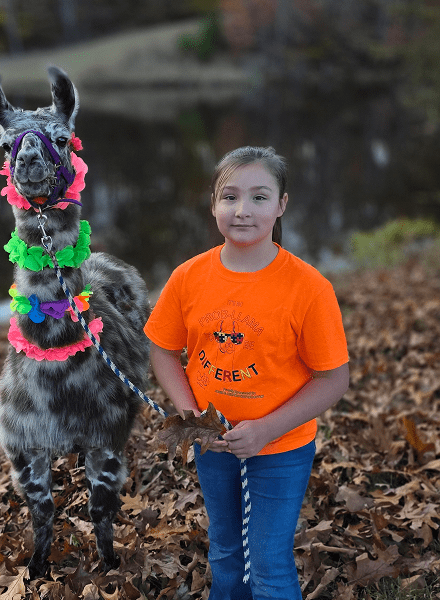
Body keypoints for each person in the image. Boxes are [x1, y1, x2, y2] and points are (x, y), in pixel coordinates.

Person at [144, 146, 349, 600]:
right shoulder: (188, 277)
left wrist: (265, 430)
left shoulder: (309, 288)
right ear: (213, 205)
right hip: (213, 444)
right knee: (225, 553)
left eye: (259, 197)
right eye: (229, 196)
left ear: (281, 205)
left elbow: (333, 379)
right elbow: (161, 349)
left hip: (281, 448)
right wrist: (193, 415)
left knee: (269, 563)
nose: (242, 211)